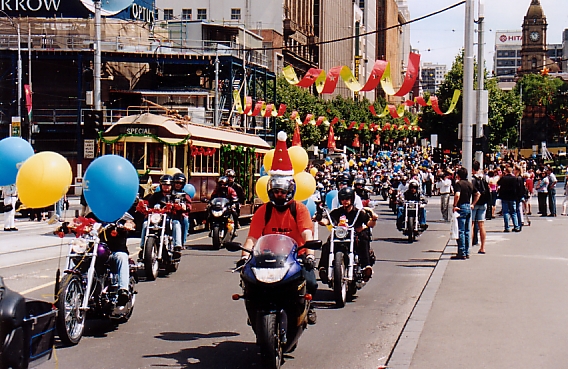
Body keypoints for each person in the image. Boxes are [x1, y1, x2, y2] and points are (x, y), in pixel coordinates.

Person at [238, 175, 318, 324]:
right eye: (276, 191)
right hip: (267, 257)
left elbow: (307, 233)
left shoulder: (299, 209)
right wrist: (244, 256)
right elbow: (252, 238)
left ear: (290, 192)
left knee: (311, 283)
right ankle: (254, 311)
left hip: (295, 257)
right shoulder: (264, 210)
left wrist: (310, 256)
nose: (279, 194)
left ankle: (309, 307)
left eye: (282, 191)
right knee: (248, 283)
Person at [318, 187, 377, 283]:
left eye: (347, 199)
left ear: (352, 199)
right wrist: (319, 219)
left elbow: (369, 224)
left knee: (364, 240)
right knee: (326, 245)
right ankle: (323, 268)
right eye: (342, 199)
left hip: (355, 237)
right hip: (340, 237)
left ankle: (366, 266)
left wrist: (373, 219)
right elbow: (327, 221)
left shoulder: (358, 212)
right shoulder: (337, 212)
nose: (345, 201)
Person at [139, 174, 184, 253]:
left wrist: (180, 205)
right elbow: (148, 203)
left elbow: (182, 204)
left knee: (176, 223)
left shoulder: (176, 195)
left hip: (170, 218)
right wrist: (143, 206)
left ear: (171, 185)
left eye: (168, 185)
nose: (166, 187)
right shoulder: (155, 195)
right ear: (161, 185)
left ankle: (177, 246)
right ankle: (143, 246)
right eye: (164, 185)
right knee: (145, 224)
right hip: (157, 218)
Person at [452, 167, 480, 259]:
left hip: (461, 207)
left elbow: (457, 195)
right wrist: (473, 204)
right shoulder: (469, 184)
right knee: (467, 231)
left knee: (461, 230)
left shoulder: (458, 184)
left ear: (458, 175)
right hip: (468, 206)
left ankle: (462, 252)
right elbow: (478, 194)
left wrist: (454, 205)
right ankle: (467, 251)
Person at [471, 161, 488, 254]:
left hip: (474, 203)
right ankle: (483, 247)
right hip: (483, 203)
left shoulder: (472, 179)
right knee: (481, 225)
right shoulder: (484, 178)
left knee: (471, 224)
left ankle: (469, 245)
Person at [497, 166, 521, 232]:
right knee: (513, 212)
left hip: (504, 196)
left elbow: (498, 183)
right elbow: (518, 187)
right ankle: (516, 226)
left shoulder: (503, 178)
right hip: (513, 197)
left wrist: (501, 176)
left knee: (506, 212)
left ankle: (507, 227)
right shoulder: (515, 178)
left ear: (506, 171)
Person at [172, 172, 192, 245]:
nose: (178, 185)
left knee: (185, 220)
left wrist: (185, 208)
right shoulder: (169, 193)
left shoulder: (185, 195)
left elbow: (189, 206)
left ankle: (182, 242)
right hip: (168, 214)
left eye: (180, 183)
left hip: (179, 214)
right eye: (176, 183)